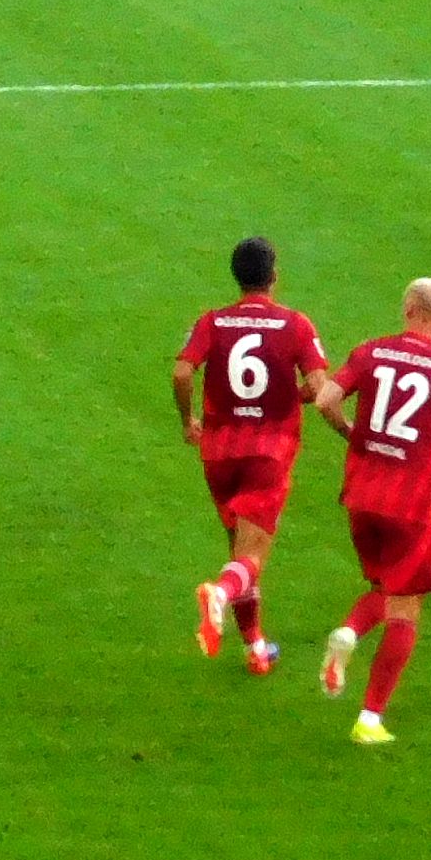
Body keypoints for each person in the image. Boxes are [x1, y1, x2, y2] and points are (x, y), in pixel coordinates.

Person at [313, 278, 431, 744]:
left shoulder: (371, 351)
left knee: (383, 584)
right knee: (405, 606)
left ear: (406, 307)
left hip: (361, 495)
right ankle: (370, 718)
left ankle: (350, 629)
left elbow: (326, 398)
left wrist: (350, 432)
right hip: (410, 504)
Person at [173, 237, 330, 674]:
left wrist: (188, 421)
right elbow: (320, 387)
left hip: (219, 452)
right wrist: (291, 395)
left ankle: (255, 648)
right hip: (268, 452)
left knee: (239, 550)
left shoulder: (213, 321)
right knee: (251, 557)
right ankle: (219, 594)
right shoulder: (295, 325)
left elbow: (183, 370)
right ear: (274, 275)